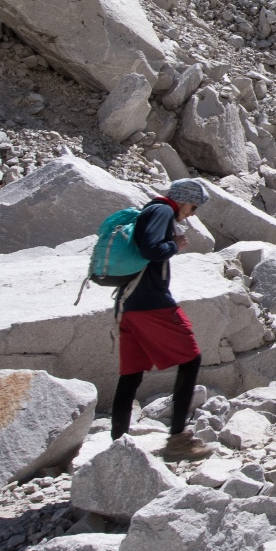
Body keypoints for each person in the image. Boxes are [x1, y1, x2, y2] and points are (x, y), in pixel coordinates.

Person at [109, 178, 210, 447]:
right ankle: (178, 439)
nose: (192, 213)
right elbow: (151, 249)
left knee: (131, 375)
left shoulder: (150, 211)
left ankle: (117, 443)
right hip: (151, 303)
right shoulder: (163, 210)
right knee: (191, 360)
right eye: (193, 207)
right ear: (183, 199)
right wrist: (175, 245)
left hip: (128, 303)